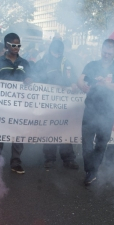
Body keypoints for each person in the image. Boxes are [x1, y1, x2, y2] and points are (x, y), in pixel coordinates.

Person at [77, 39, 114, 186]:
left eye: (110, 52)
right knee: (86, 143)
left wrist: (105, 84)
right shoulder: (92, 65)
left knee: (101, 144)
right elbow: (80, 78)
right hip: (90, 110)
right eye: (105, 51)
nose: (106, 54)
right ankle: (89, 170)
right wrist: (82, 86)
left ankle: (93, 172)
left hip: (107, 112)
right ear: (101, 50)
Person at [33, 39, 79, 170]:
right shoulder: (43, 62)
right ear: (50, 50)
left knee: (65, 129)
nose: (57, 54)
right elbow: (36, 78)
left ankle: (68, 159)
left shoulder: (67, 62)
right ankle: (49, 158)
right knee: (50, 129)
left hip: (65, 103)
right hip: (48, 102)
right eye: (55, 51)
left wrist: (74, 83)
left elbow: (73, 78)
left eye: (59, 52)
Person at [0, 33, 32, 174]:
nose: (16, 48)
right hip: (2, 104)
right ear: (6, 45)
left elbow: (31, 78)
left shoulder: (25, 63)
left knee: (18, 132)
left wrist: (28, 80)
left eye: (18, 45)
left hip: (20, 105)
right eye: (13, 45)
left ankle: (16, 162)